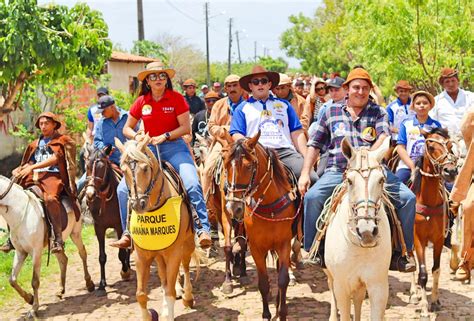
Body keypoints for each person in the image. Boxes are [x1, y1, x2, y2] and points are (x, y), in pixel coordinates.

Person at [299, 67, 416, 272]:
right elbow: (315, 144)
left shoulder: (378, 112)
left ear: (370, 90)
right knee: (312, 198)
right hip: (339, 170)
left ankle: (402, 253)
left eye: (364, 88)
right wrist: (304, 173)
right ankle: (313, 250)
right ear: (346, 89)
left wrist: (367, 157)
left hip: (373, 170)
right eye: (355, 87)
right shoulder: (330, 111)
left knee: (408, 198)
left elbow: (383, 137)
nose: (360, 92)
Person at [110, 61, 212, 249]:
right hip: (147, 152)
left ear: (167, 80)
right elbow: (126, 129)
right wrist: (138, 135)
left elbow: (185, 128)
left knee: (192, 182)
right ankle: (128, 233)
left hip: (174, 148)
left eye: (162, 75)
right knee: (122, 190)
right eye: (153, 76)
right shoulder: (141, 101)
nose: (158, 79)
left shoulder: (176, 99)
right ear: (147, 81)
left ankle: (202, 228)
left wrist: (165, 136)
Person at [0, 112, 79, 253]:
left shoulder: (61, 140)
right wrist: (20, 168)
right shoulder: (36, 143)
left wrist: (32, 167)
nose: (43, 126)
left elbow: (55, 159)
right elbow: (31, 160)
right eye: (41, 124)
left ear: (54, 124)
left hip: (54, 176)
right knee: (13, 195)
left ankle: (58, 239)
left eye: (46, 123)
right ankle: (11, 239)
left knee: (50, 198)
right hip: (36, 176)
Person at [229, 65, 318, 182]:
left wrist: (307, 159)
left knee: (313, 178)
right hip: (256, 154)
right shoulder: (242, 108)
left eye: (263, 81)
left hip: (285, 152)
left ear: (269, 85)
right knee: (232, 184)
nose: (260, 84)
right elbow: (236, 134)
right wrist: (249, 148)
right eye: (256, 82)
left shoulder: (285, 105)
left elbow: (297, 133)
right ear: (250, 86)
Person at [395, 91, 441, 185]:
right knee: (395, 187)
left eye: (425, 103)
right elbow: (400, 147)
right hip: (407, 166)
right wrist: (412, 167)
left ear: (430, 105)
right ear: (413, 106)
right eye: (418, 103)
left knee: (450, 188)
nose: (422, 105)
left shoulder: (436, 125)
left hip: (432, 167)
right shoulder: (406, 124)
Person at [430, 68, 474, 136]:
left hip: (470, 138)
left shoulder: (470, 97)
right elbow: (433, 122)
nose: (451, 84)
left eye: (453, 80)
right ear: (442, 84)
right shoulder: (436, 101)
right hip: (447, 141)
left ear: (458, 81)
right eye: (447, 81)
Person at [93, 95, 128, 166]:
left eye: (103, 111)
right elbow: (97, 141)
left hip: (129, 161)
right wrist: (104, 148)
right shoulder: (101, 123)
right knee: (86, 177)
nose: (102, 114)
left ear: (112, 107)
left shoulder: (128, 118)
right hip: (109, 163)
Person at [192, 91, 219, 163]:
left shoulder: (222, 115)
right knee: (198, 159)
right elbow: (192, 133)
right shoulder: (198, 115)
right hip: (200, 144)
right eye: (208, 101)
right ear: (205, 103)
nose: (211, 103)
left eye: (214, 100)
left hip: (217, 144)